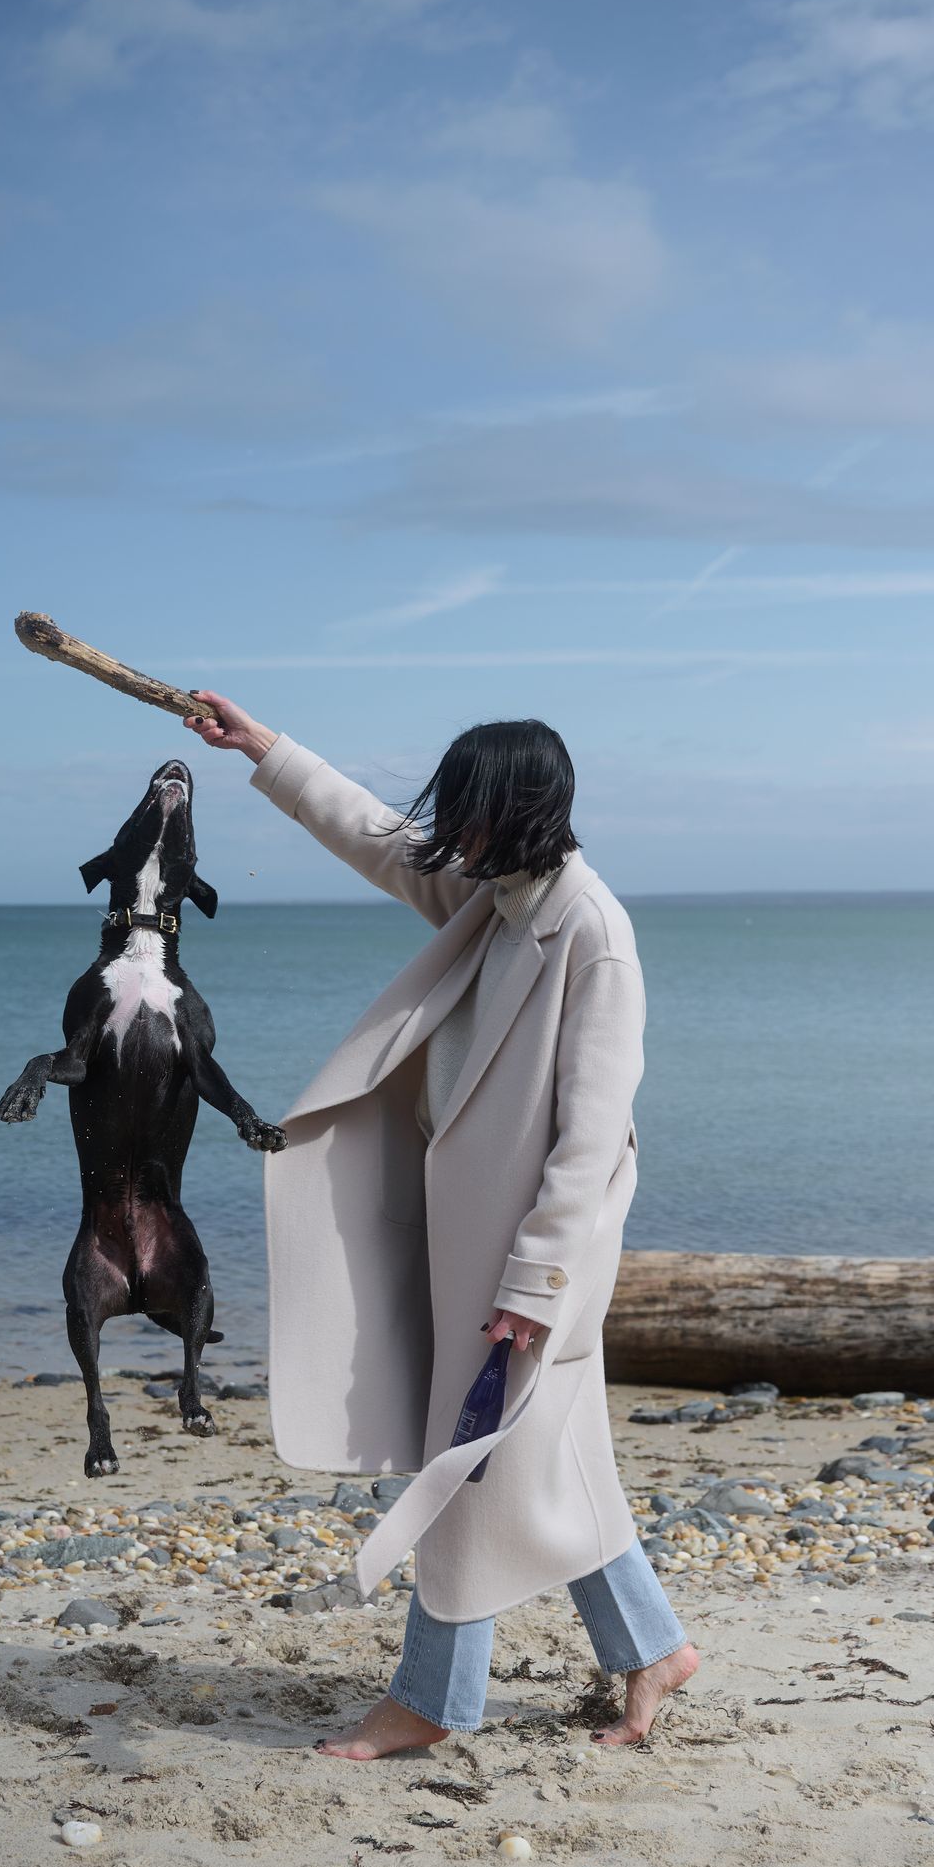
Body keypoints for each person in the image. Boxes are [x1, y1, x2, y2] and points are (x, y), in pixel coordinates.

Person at [184, 691, 699, 1759]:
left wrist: (535, 1280)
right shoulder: (491, 895)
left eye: (465, 811)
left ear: (518, 810)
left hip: (528, 1254)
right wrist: (265, 748)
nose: (447, 832)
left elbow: (594, 1130)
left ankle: (429, 1696)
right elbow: (377, 834)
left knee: (464, 1458)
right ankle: (651, 1647)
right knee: (545, 1457)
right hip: (467, 1234)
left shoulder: (588, 930)